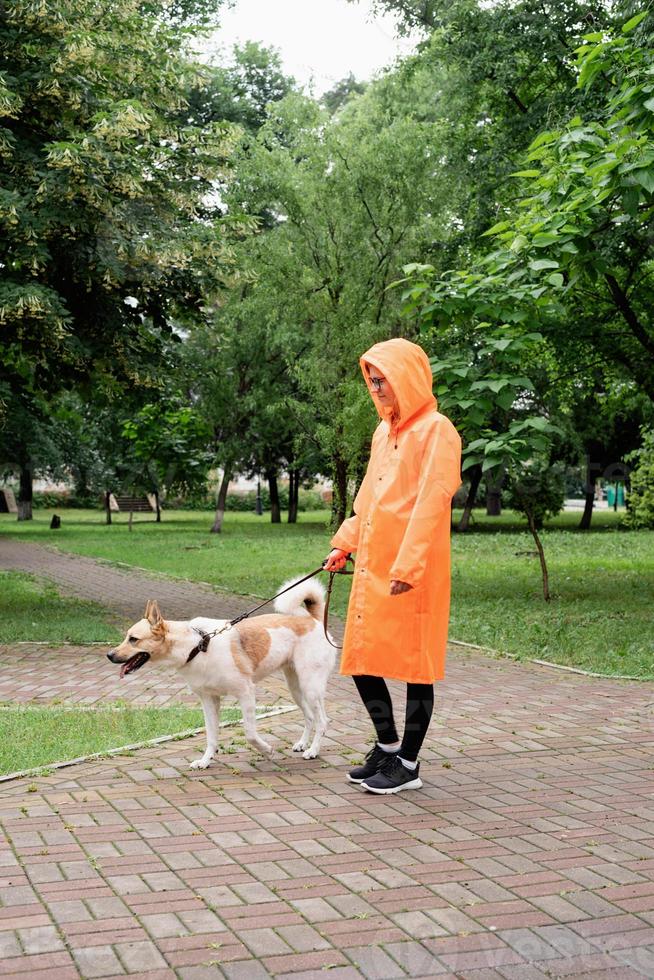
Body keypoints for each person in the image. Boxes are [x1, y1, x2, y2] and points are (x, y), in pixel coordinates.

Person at [324, 338, 461, 794]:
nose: (377, 389)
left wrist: (409, 566)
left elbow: (431, 503)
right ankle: (386, 747)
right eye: (372, 381)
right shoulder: (384, 432)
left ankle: (409, 763)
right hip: (373, 566)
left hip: (413, 570)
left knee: (416, 665)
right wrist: (345, 543)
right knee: (362, 656)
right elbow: (368, 498)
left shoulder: (438, 430)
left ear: (408, 378)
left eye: (384, 380)